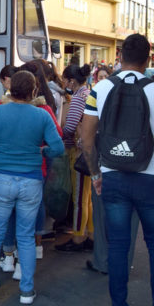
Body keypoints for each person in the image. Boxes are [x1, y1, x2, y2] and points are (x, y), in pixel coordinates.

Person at [79, 33, 154, 306]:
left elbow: (86, 138)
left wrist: (96, 174)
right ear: (149, 58)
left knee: (119, 245)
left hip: (113, 178)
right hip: (149, 179)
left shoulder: (99, 88)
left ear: (120, 55)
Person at [0, 71, 64, 305]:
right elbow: (58, 148)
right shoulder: (41, 115)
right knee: (26, 235)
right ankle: (26, 291)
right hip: (31, 180)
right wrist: (43, 151)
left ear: (10, 90)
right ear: (34, 91)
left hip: (2, 178)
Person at [54, 64, 94, 253]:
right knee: (87, 197)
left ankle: (78, 237)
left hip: (79, 153)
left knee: (79, 198)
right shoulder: (89, 93)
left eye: (65, 80)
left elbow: (70, 127)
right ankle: (91, 234)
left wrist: (60, 137)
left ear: (71, 80)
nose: (64, 83)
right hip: (91, 152)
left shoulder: (79, 97)